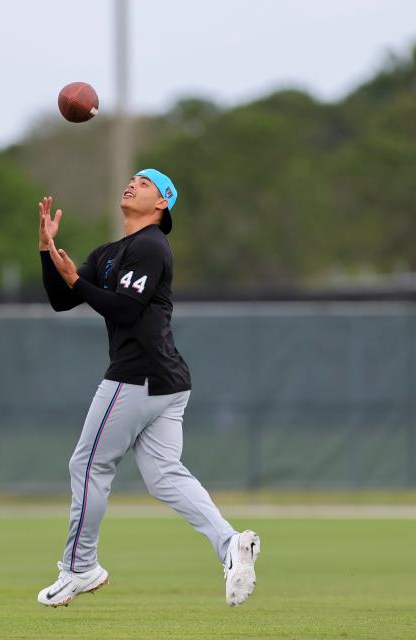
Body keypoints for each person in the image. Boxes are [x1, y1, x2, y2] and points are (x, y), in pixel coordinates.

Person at [36, 168, 260, 608]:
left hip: (136, 376)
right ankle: (231, 544)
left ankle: (80, 568)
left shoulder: (151, 246)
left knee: (89, 467)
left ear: (162, 204)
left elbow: (124, 308)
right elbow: (64, 299)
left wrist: (78, 282)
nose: (133, 183)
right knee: (164, 476)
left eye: (145, 182)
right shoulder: (109, 253)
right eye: (133, 178)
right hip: (165, 381)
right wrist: (47, 252)